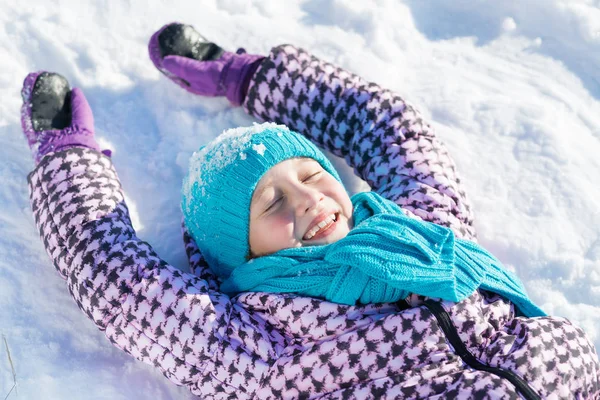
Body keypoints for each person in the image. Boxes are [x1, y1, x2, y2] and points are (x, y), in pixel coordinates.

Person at [21, 22, 599, 399]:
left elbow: (392, 127)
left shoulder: (426, 232)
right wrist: (68, 156)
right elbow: (117, 281)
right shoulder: (258, 339)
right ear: (241, 253)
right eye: (272, 202)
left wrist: (252, 77)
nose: (308, 199)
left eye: (311, 175)